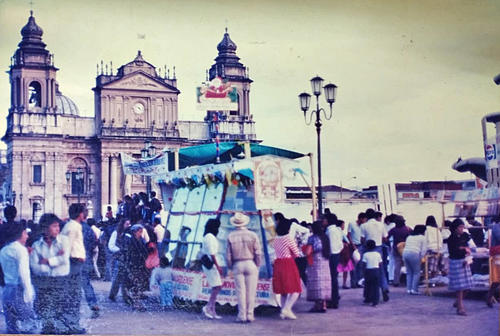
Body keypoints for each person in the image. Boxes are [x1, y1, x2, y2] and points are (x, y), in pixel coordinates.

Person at [30, 213, 71, 334]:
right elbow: (35, 266)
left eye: (58, 226)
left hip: (61, 280)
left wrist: (47, 261)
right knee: (43, 308)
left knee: (60, 309)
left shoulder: (64, 240)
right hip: (43, 281)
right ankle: (47, 329)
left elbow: (64, 258)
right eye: (54, 226)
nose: (57, 229)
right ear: (45, 228)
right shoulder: (37, 245)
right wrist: (50, 265)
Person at [0, 221, 35, 334]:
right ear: (19, 234)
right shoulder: (21, 250)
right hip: (19, 289)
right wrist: (29, 292)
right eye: (25, 233)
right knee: (28, 325)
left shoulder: (4, 250)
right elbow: (24, 273)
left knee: (11, 326)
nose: (27, 236)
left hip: (7, 289)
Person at [226, 213, 262, 323]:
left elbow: (228, 256)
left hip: (237, 264)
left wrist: (230, 266)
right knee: (251, 291)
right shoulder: (253, 235)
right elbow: (258, 253)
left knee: (240, 291)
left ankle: (241, 315)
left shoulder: (231, 236)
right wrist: (257, 264)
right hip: (250, 263)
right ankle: (250, 315)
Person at [60, 203, 87, 334]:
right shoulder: (73, 227)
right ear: (79, 214)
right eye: (83, 211)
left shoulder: (73, 225)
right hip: (73, 263)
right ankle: (71, 324)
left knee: (73, 294)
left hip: (75, 262)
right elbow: (67, 246)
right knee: (73, 294)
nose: (85, 213)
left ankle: (70, 323)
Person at [272, 216, 302, 319]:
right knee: (296, 288)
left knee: (283, 290)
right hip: (288, 263)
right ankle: (287, 309)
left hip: (278, 263)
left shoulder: (275, 239)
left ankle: (283, 311)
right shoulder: (288, 238)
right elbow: (297, 253)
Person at [448, 218, 475, 316]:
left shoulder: (465, 235)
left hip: (465, 260)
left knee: (468, 286)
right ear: (455, 228)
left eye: (463, 227)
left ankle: (458, 302)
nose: (462, 229)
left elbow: (471, 246)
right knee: (460, 287)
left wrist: (465, 249)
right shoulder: (451, 238)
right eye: (460, 227)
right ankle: (460, 308)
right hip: (455, 262)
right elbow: (455, 250)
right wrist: (464, 249)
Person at [361, 209, 389, 302]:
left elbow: (362, 239)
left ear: (366, 216)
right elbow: (385, 238)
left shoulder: (364, 225)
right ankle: (384, 288)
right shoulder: (381, 225)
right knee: (381, 271)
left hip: (368, 248)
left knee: (367, 272)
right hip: (379, 248)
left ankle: (367, 295)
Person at [304, 220, 331, 312]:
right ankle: (324, 304)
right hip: (325, 261)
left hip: (315, 262)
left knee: (317, 283)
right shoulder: (326, 238)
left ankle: (317, 305)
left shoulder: (312, 238)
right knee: (324, 282)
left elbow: (308, 252)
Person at [200, 218, 223, 319]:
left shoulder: (208, 236)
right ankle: (208, 306)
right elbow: (212, 254)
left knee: (216, 286)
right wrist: (218, 267)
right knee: (217, 286)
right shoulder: (210, 237)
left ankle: (212, 309)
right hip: (211, 264)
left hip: (210, 263)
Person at [123, 224, 149, 311]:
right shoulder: (130, 240)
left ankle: (136, 302)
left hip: (140, 265)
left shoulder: (140, 240)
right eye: (139, 231)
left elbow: (144, 251)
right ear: (135, 231)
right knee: (135, 284)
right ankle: (136, 303)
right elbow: (128, 253)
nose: (141, 233)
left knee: (138, 284)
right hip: (133, 265)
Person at [108, 218, 132, 303]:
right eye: (127, 224)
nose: (128, 226)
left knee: (125, 278)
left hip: (127, 258)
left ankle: (126, 296)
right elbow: (111, 245)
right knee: (117, 278)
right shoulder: (116, 233)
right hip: (119, 258)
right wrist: (119, 250)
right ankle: (113, 294)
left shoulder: (129, 234)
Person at [81, 219, 100, 318]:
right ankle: (93, 303)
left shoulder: (69, 227)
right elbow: (95, 242)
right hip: (86, 258)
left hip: (74, 260)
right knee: (86, 283)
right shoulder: (88, 229)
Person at [402, 225, 427, 295]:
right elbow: (424, 249)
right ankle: (414, 289)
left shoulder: (409, 237)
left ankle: (409, 289)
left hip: (405, 253)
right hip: (414, 253)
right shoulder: (422, 238)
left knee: (409, 272)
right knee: (416, 272)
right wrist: (421, 257)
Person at [387, 215, 411, 286]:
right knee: (408, 265)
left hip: (396, 248)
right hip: (405, 248)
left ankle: (396, 281)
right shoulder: (407, 229)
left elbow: (386, 237)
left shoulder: (393, 230)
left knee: (397, 266)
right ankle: (408, 280)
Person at [325, 214, 343, 309]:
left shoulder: (330, 231)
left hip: (332, 255)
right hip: (336, 254)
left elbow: (331, 245)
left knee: (332, 279)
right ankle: (334, 298)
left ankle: (333, 300)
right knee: (333, 278)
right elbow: (341, 244)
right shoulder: (337, 230)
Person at [348, 212, 367, 288]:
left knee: (361, 265)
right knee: (353, 266)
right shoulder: (352, 224)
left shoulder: (364, 226)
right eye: (364, 219)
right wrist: (352, 245)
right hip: (353, 246)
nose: (365, 221)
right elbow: (349, 235)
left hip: (361, 246)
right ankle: (353, 282)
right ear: (361, 218)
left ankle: (359, 282)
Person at [362, 239, 383, 306]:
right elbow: (380, 264)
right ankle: (375, 301)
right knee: (376, 287)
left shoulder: (365, 255)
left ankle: (367, 298)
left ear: (367, 247)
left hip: (368, 271)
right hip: (376, 270)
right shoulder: (378, 254)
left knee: (367, 285)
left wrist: (363, 272)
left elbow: (364, 264)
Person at [337, 220, 354, 289]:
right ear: (341, 225)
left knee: (337, 269)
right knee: (346, 268)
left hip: (337, 252)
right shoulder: (341, 232)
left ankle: (335, 283)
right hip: (344, 252)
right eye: (343, 225)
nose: (344, 226)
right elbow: (347, 241)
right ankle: (344, 283)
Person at [487, 216, 500, 307]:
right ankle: (489, 297)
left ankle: (489, 297)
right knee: (496, 279)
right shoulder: (496, 228)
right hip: (497, 255)